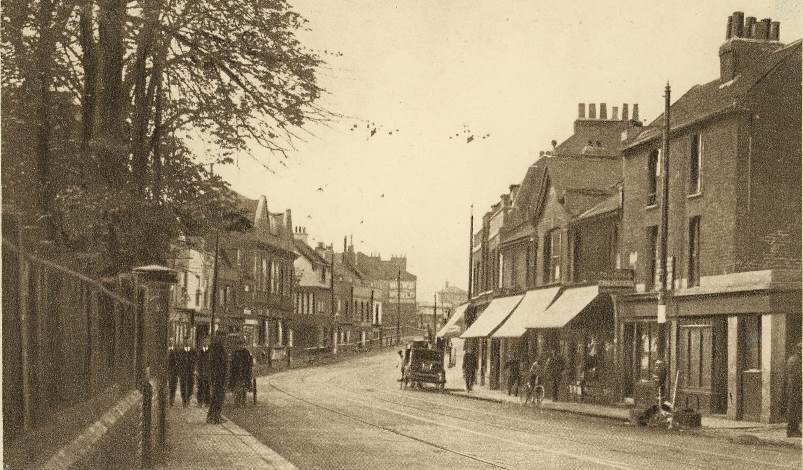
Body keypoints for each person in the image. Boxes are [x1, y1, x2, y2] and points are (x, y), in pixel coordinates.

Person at [207, 332, 228, 424]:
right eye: (222, 337)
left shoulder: (218, 347)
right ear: (218, 337)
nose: (224, 339)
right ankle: (214, 417)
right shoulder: (216, 348)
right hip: (218, 377)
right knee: (217, 397)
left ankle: (215, 415)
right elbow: (213, 364)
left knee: (218, 397)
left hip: (220, 376)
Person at [229, 337, 253, 407]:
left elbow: (249, 362)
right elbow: (232, 363)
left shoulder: (246, 352)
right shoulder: (235, 353)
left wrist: (248, 370)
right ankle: (237, 402)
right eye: (239, 345)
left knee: (244, 388)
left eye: (242, 344)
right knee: (237, 388)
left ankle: (244, 401)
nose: (241, 346)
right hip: (236, 373)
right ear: (237, 345)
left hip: (244, 373)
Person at [785, 343, 802, 438]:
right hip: (794, 388)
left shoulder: (795, 360)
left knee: (796, 409)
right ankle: (792, 430)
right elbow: (796, 376)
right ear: (798, 350)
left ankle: (794, 429)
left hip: (794, 388)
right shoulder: (795, 360)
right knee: (793, 409)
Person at [178, 339, 196, 407]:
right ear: (184, 342)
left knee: (190, 385)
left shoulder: (193, 351)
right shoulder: (181, 351)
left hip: (190, 371)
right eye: (186, 341)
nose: (187, 343)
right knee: (183, 385)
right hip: (183, 371)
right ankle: (184, 400)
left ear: (190, 342)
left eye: (188, 341)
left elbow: (195, 360)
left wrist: (194, 369)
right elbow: (178, 361)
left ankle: (188, 398)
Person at [196, 337, 211, 407]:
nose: (205, 343)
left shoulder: (211, 352)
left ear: (209, 343)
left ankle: (207, 403)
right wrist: (197, 371)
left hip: (208, 373)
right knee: (200, 388)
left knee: (207, 388)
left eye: (207, 341)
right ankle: (200, 402)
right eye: (204, 341)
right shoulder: (200, 352)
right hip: (201, 372)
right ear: (202, 343)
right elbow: (197, 362)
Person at [167, 340, 179, 406]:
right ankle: (168, 399)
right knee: (168, 385)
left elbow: (179, 361)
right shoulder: (166, 350)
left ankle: (172, 399)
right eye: (170, 341)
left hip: (174, 372)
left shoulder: (176, 351)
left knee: (173, 386)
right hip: (168, 371)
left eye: (172, 341)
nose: (171, 342)